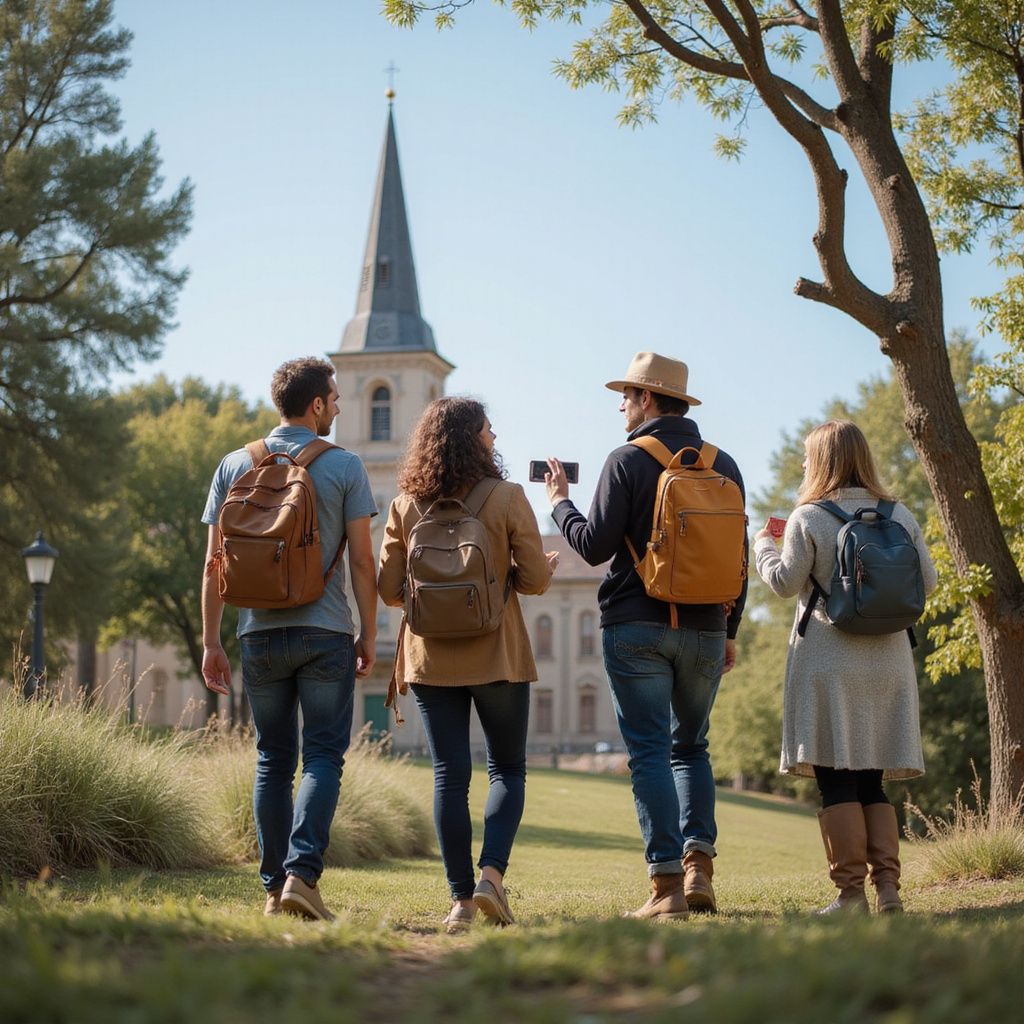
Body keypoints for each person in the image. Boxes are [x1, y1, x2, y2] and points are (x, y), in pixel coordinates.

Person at [545, 351, 746, 920]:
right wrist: (729, 630)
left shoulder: (627, 460)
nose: (621, 405)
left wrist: (560, 503)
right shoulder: (724, 464)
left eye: (628, 396)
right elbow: (741, 557)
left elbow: (593, 547)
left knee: (652, 753)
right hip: (707, 629)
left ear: (649, 399)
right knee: (693, 748)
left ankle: (666, 889)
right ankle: (699, 868)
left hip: (637, 626)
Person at [200, 357, 378, 921]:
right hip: (325, 632)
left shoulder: (234, 464)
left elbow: (212, 564)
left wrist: (212, 641)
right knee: (323, 754)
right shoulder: (344, 465)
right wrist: (368, 632)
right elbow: (364, 562)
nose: (340, 406)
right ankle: (304, 875)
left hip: (257, 635)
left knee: (272, 761)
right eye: (335, 397)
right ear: (318, 404)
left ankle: (275, 889)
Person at [378, 397, 556, 933]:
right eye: (487, 430)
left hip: (430, 660)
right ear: (472, 439)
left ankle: (459, 901)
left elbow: (389, 589)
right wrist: (537, 568)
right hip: (498, 654)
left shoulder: (407, 504)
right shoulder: (506, 498)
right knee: (507, 768)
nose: (494, 436)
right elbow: (533, 580)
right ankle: (491, 880)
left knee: (448, 777)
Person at [752, 419, 937, 914]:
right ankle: (889, 890)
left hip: (830, 661)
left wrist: (762, 547)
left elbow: (785, 583)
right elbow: (930, 582)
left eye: (809, 457)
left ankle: (851, 894)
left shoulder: (808, 516)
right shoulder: (900, 514)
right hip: (888, 659)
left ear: (821, 461)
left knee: (835, 777)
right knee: (871, 779)